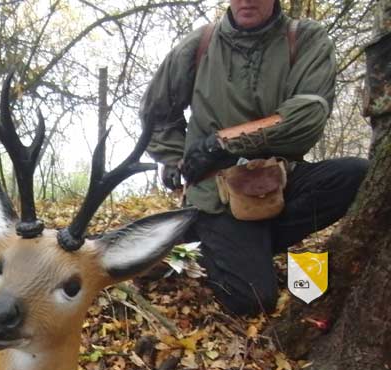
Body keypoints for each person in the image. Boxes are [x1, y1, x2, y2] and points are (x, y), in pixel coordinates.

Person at [139, 0, 368, 316]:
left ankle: (242, 246)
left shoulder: (305, 39)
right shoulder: (199, 43)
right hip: (218, 192)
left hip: (279, 178)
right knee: (253, 300)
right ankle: (195, 247)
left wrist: (222, 143)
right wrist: (179, 158)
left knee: (356, 175)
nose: (247, 1)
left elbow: (307, 115)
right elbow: (156, 113)